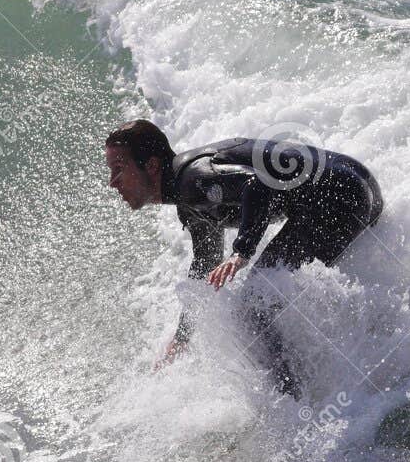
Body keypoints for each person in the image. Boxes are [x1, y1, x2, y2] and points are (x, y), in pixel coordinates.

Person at [104, 118, 384, 396]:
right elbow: (205, 267)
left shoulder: (193, 178)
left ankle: (293, 402)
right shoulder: (189, 199)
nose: (112, 183)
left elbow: (257, 184)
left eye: (118, 169)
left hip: (339, 195)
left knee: (254, 303)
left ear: (151, 165)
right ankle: (359, 360)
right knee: (264, 296)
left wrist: (242, 252)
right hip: (357, 183)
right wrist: (181, 339)